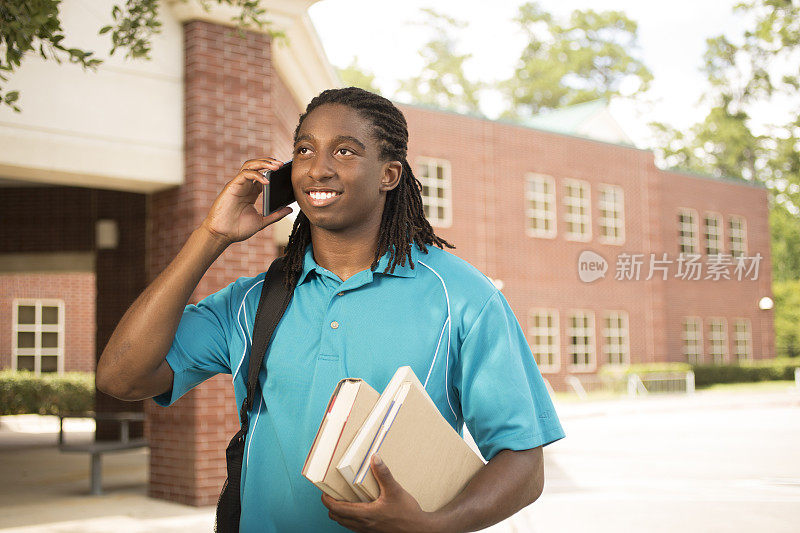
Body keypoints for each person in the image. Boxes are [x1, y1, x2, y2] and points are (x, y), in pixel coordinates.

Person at [97, 87, 565, 532]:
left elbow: (523, 464)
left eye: (344, 151)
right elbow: (123, 377)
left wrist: (431, 527)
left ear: (389, 175)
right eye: (304, 150)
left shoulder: (462, 297)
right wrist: (212, 236)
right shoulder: (253, 301)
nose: (317, 168)